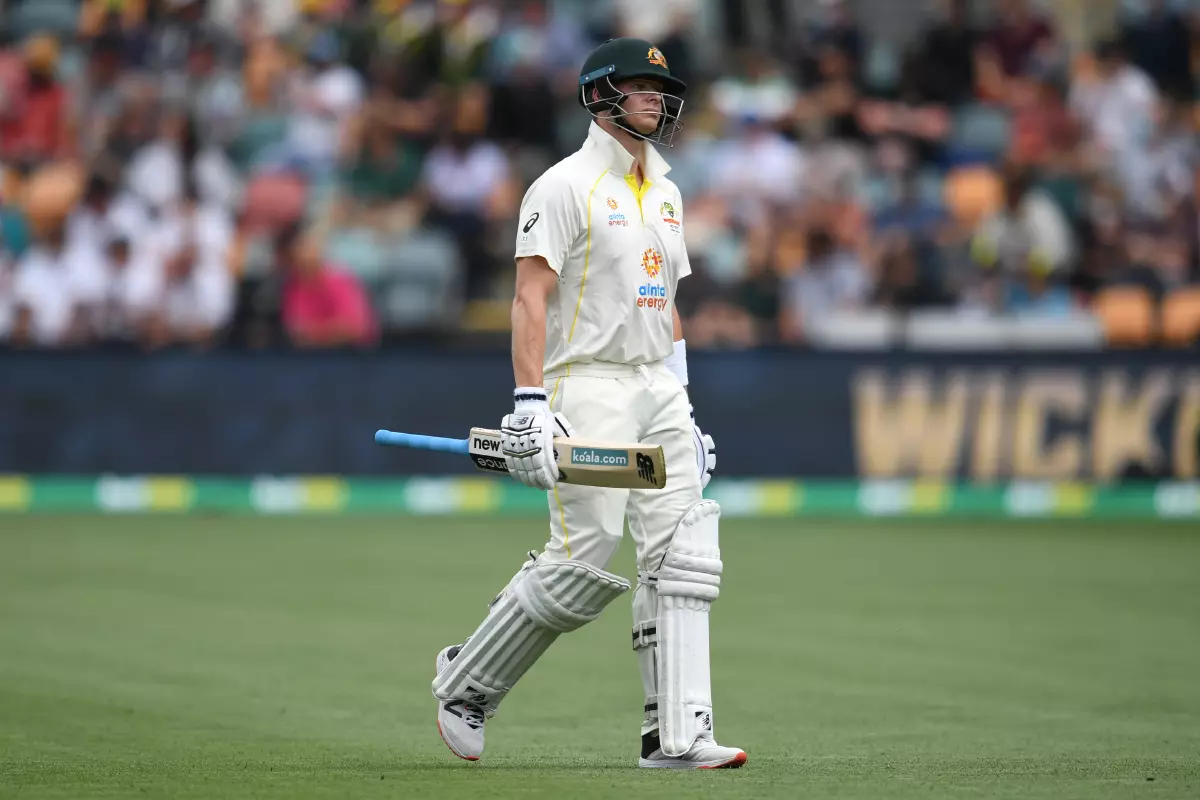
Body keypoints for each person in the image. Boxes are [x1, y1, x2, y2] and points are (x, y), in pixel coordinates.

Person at [429, 38, 742, 770]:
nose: (658, 102)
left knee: (684, 553)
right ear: (601, 95)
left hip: (654, 385)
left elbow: (668, 307)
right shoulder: (562, 186)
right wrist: (532, 402)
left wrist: (684, 411)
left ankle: (676, 734)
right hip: (586, 382)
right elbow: (529, 296)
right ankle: (467, 685)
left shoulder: (665, 191)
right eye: (642, 88)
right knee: (584, 561)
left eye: (663, 92)